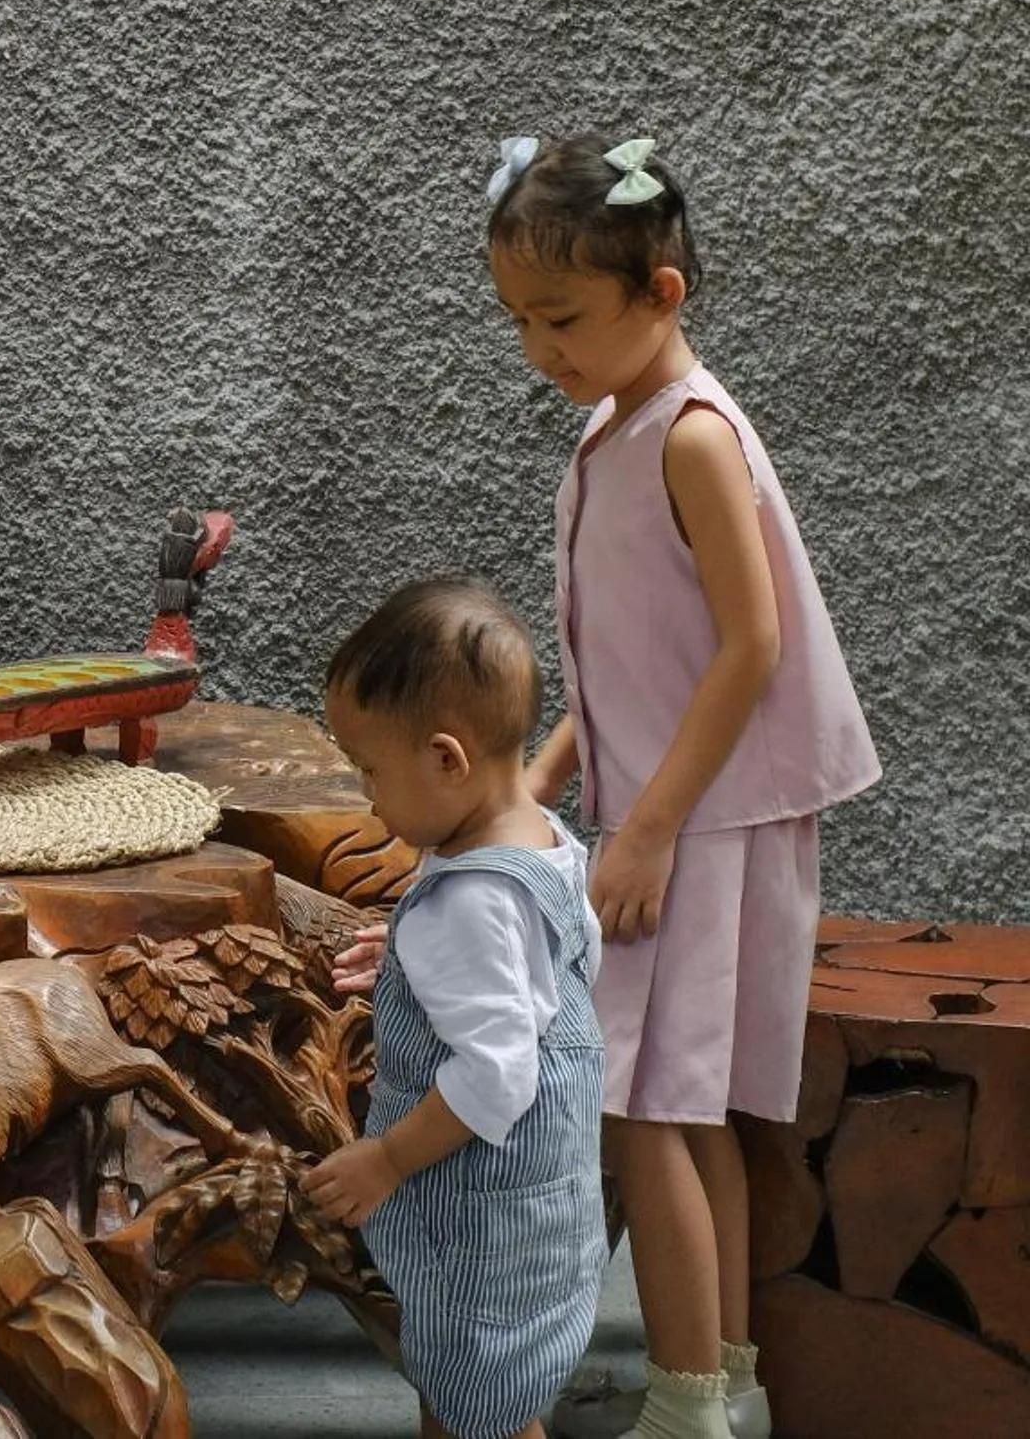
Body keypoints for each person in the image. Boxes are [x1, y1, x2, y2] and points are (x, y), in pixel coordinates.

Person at [485, 136, 880, 1439]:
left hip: (701, 819)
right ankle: (728, 1383)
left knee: (641, 1105)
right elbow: (629, 664)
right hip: (676, 809)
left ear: (663, 293)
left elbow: (751, 644)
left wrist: (645, 829)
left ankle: (688, 1400)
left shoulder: (693, 438)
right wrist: (540, 776)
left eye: (563, 319)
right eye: (520, 323)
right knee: (682, 1099)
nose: (541, 352)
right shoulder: (618, 422)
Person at [307, 579, 606, 1439]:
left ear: (447, 759)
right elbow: (556, 975)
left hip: (479, 1205)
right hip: (544, 1198)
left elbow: (498, 1073)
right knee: (497, 1389)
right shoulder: (546, 844)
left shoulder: (462, 901)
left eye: (369, 768)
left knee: (475, 1396)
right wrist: (412, 962)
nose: (366, 796)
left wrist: (387, 1161)